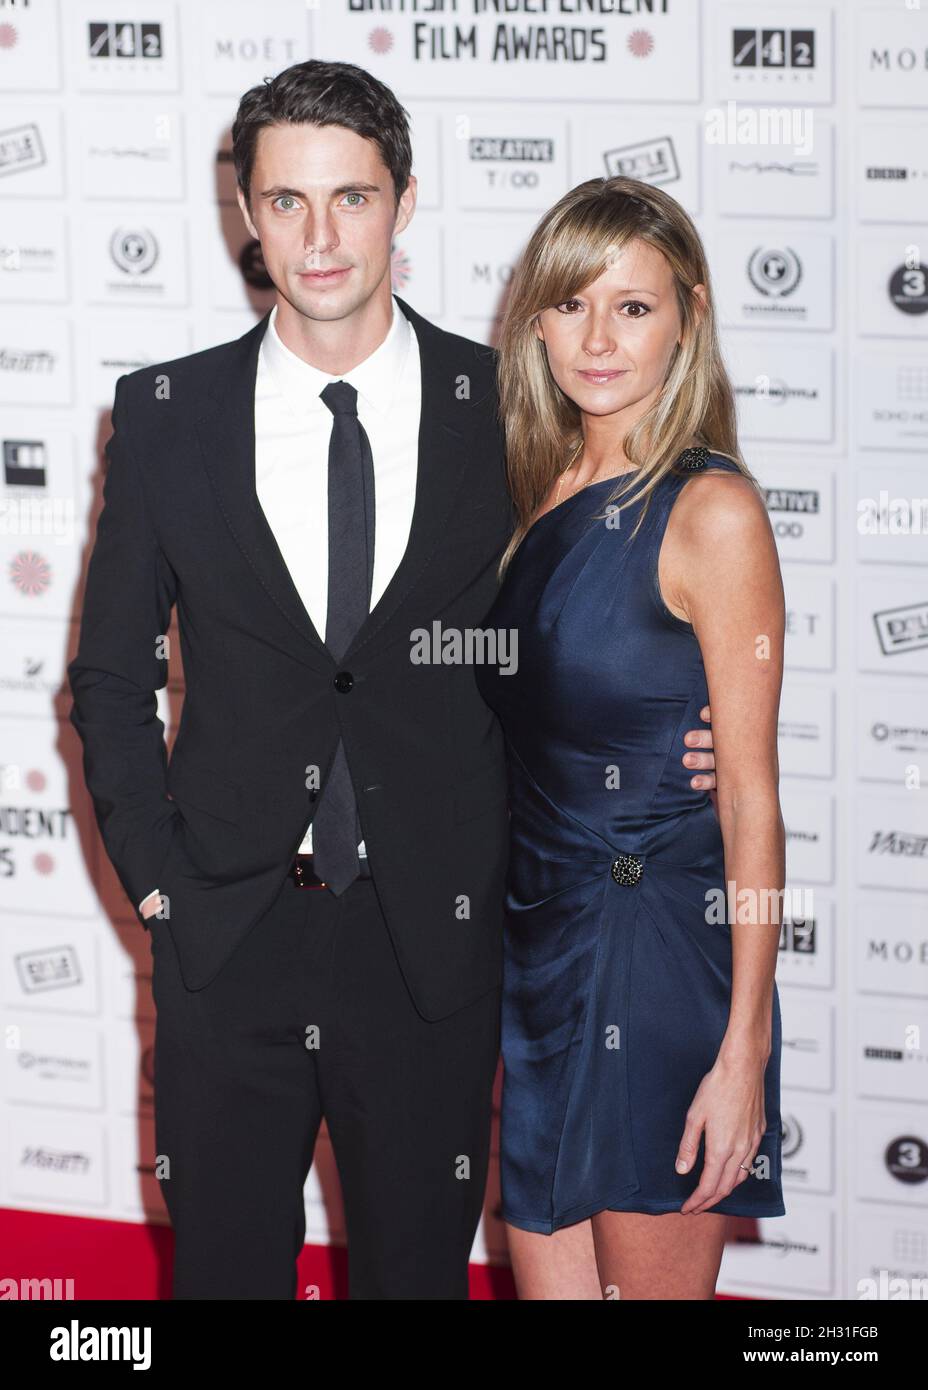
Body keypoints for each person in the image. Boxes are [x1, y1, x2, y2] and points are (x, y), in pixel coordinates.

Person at [67, 64, 720, 1300]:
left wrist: (671, 736)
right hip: (228, 936)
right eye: (288, 201)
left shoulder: (504, 413)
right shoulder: (166, 415)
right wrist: (162, 885)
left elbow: (577, 623)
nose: (320, 237)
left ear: (404, 201)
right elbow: (108, 681)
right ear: (245, 215)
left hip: (433, 938)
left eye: (352, 197)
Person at [475, 176, 787, 1301]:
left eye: (633, 307)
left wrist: (742, 1045)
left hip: (655, 952)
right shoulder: (525, 486)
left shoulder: (711, 511)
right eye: (570, 304)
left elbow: (749, 796)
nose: (595, 338)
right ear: (536, 318)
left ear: (689, 316)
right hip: (537, 942)